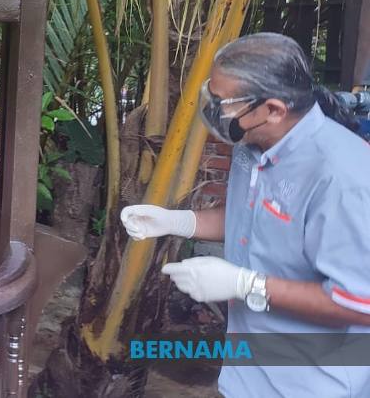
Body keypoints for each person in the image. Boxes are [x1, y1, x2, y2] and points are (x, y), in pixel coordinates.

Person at [120, 33, 370, 397]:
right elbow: (249, 219)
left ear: (273, 109)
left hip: (312, 382)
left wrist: (247, 285)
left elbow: (360, 303)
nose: (214, 111)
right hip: (247, 371)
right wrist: (176, 222)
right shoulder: (252, 141)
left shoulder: (343, 178)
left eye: (223, 103)